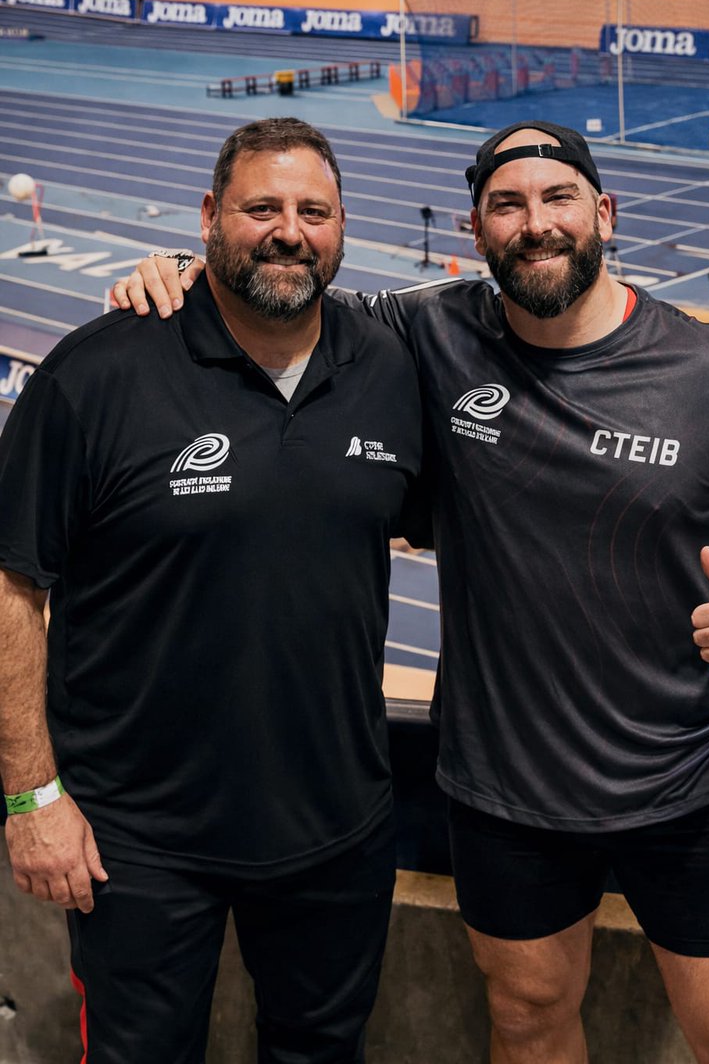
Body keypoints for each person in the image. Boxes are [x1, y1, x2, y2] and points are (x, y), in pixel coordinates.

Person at [116, 120, 709, 1064]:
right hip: (506, 792)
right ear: (476, 233)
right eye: (507, 206)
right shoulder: (430, 333)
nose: (536, 225)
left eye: (558, 199)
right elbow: (283, 280)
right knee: (524, 1020)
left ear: (603, 212)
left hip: (695, 786)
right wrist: (178, 271)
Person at [0, 119, 427, 1063]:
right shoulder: (100, 371)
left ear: (343, 227)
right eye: (260, 208)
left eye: (313, 211)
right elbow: (11, 584)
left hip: (335, 825)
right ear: (207, 219)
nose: (289, 231)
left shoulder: (389, 370)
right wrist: (32, 799)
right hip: (136, 841)